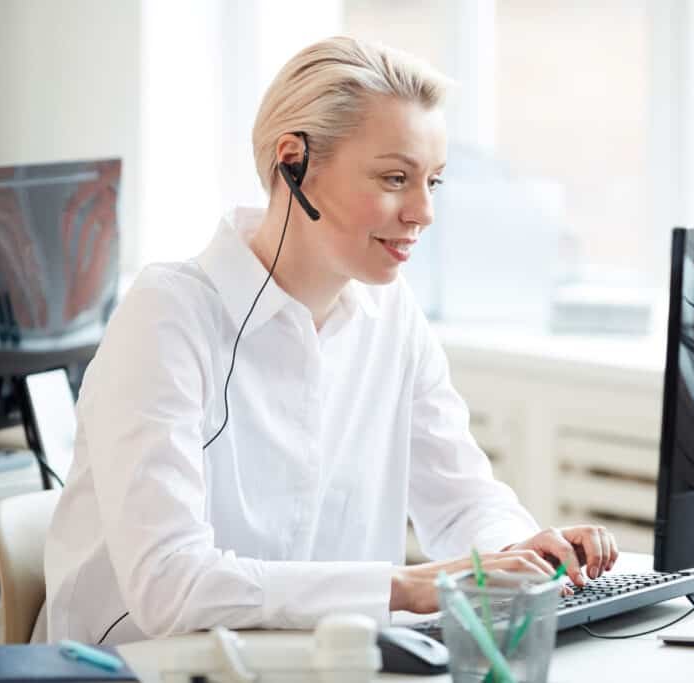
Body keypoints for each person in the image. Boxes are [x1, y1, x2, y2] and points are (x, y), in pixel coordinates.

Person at [43, 36, 618, 645]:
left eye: (434, 183)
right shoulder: (170, 315)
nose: (422, 211)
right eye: (396, 177)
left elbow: (459, 498)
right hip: (134, 665)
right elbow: (168, 584)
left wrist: (517, 551)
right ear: (294, 162)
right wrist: (404, 586)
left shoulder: (390, 314)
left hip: (311, 661)